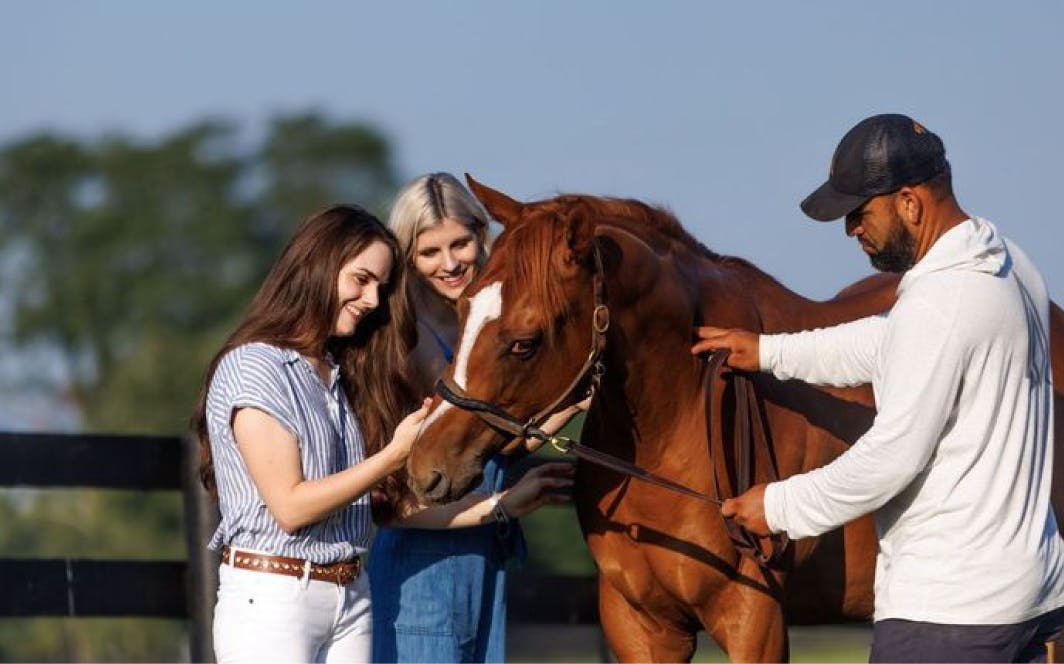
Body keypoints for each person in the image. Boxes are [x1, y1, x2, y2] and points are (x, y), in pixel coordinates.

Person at [692, 114, 1064, 662]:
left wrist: (778, 507)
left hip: (949, 619)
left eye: (858, 213)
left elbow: (890, 459)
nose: (850, 230)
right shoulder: (1009, 265)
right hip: (1035, 602)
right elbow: (888, 341)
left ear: (910, 203)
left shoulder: (941, 303)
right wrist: (771, 351)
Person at [191, 204, 571, 663]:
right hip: (275, 597)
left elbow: (391, 507)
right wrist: (392, 456)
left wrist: (500, 506)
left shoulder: (338, 373)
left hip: (351, 594)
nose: (372, 299)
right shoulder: (255, 366)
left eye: (381, 286)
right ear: (318, 267)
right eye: (361, 279)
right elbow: (290, 507)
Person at [368, 172, 586, 663]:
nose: (449, 264)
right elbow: (400, 502)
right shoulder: (405, 338)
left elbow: (487, 437)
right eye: (429, 252)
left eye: (460, 243)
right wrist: (506, 504)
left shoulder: (484, 324)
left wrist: (574, 401)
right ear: (408, 257)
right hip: (423, 566)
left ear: (480, 236)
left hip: (484, 557)